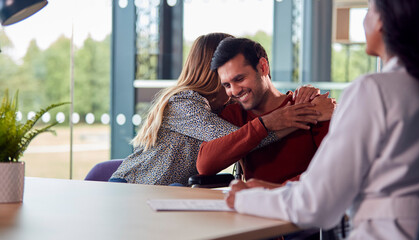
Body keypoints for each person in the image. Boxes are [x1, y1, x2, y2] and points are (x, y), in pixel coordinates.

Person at [225, 0, 419, 239]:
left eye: (369, 10)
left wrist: (247, 199)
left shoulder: (374, 90)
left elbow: (316, 204)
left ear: (381, 20)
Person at [109, 33, 322, 185]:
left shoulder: (224, 106)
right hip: (135, 186)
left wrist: (302, 98)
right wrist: (292, 118)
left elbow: (264, 98)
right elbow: (238, 140)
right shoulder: (185, 102)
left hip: (168, 192)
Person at [197, 37, 336, 185]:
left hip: (305, 203)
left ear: (263, 67)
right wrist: (265, 124)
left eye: (240, 79)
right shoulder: (234, 114)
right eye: (227, 85)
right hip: (256, 205)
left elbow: (336, 168)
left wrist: (273, 191)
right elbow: (205, 165)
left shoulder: (311, 106)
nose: (234, 91)